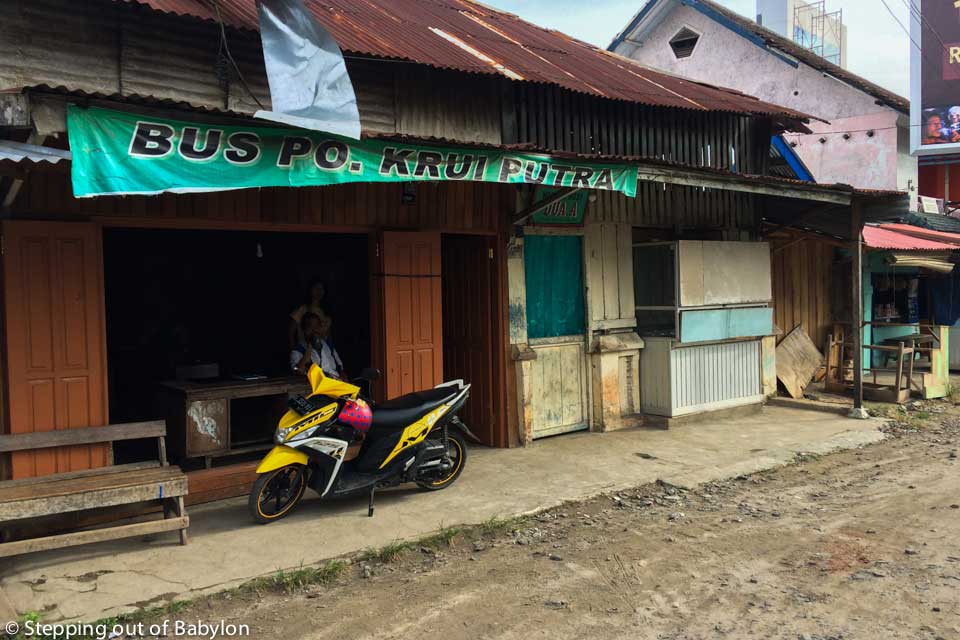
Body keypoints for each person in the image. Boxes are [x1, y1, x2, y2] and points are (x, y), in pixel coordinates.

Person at [290, 312, 344, 379]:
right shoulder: (298, 349)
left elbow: (339, 364)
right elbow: (296, 370)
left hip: (337, 381)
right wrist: (307, 354)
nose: (315, 330)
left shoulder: (328, 344)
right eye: (310, 327)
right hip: (317, 383)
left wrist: (342, 374)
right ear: (304, 330)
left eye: (317, 326)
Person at [289, 280, 329, 349]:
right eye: (316, 288)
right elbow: (291, 332)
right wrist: (293, 351)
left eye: (321, 289)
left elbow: (328, 335)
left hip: (323, 351)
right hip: (305, 350)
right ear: (310, 290)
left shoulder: (326, 312)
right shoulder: (302, 309)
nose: (319, 291)